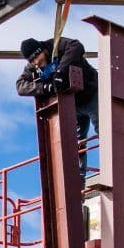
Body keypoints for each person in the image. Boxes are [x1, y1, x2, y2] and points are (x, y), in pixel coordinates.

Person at [16, 37, 99, 170]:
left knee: (104, 129)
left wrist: (61, 70)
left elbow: (77, 46)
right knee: (76, 145)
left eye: (37, 57)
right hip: (73, 105)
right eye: (32, 61)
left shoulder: (56, 45)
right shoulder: (32, 67)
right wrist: (44, 88)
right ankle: (79, 182)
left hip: (92, 93)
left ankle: (113, 169)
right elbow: (20, 86)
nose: (37, 62)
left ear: (42, 50)